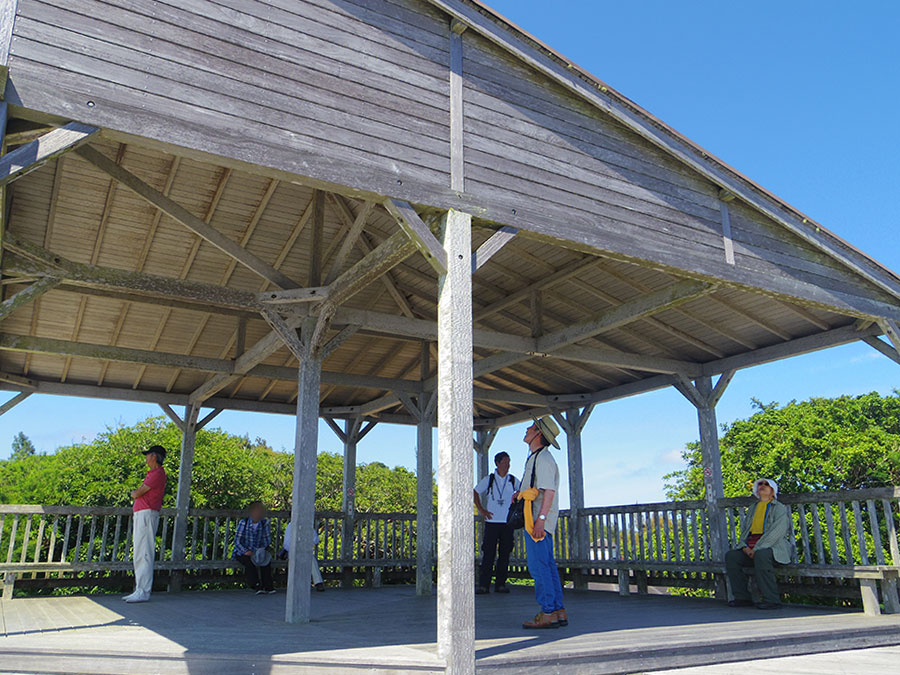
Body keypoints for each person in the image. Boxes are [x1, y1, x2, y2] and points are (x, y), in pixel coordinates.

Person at [515, 416, 566, 629]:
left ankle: (547, 611)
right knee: (547, 565)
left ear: (538, 434)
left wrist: (541, 520)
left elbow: (549, 492)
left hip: (537, 521)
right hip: (537, 519)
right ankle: (557, 610)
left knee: (539, 567)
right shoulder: (537, 458)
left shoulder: (543, 459)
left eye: (532, 427)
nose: (527, 428)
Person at [725, 478, 792, 610]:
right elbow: (745, 531)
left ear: (773, 491)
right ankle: (742, 597)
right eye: (760, 484)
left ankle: (771, 599)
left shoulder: (778, 508)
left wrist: (757, 548)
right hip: (751, 549)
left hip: (773, 549)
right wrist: (744, 546)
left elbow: (777, 532)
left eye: (766, 484)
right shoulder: (753, 508)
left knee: (761, 555)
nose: (762, 486)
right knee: (731, 556)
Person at [123, 445, 167, 603]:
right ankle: (139, 589)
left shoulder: (157, 474)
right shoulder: (152, 474)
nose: (146, 458)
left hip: (147, 514)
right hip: (143, 514)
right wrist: (137, 492)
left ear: (154, 456)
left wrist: (135, 492)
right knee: (139, 552)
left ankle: (143, 591)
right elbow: (139, 492)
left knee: (145, 552)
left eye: (147, 455)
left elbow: (137, 493)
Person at [473, 451, 520, 594]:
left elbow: (524, 491)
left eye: (509, 462)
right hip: (492, 522)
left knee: (505, 554)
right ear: (498, 463)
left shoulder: (512, 480)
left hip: (507, 522)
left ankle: (500, 584)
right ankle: (484, 585)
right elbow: (474, 492)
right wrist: (481, 509)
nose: (508, 465)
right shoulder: (490, 479)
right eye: (505, 462)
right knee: (488, 553)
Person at [233, 501, 275, 595]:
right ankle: (256, 585)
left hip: (258, 551)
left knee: (266, 561)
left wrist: (261, 550)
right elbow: (237, 541)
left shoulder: (264, 523)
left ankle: (268, 586)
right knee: (249, 562)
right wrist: (246, 551)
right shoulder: (244, 523)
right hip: (243, 551)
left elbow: (266, 540)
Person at [281, 520, 325, 591]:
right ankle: (295, 585)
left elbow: (316, 539)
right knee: (295, 560)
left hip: (305, 551)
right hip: (292, 552)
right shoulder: (290, 526)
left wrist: (307, 542)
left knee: (311, 560)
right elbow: (286, 544)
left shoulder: (307, 525)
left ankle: (318, 582)